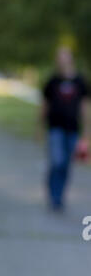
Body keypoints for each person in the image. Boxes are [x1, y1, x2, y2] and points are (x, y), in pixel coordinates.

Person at [40, 46, 90, 211]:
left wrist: (86, 132)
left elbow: (84, 107)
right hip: (55, 128)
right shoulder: (52, 81)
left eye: (64, 57)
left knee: (66, 164)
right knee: (57, 161)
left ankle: (60, 196)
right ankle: (53, 195)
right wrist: (39, 127)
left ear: (70, 59)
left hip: (73, 129)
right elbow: (45, 105)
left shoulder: (80, 82)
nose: (61, 61)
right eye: (59, 57)